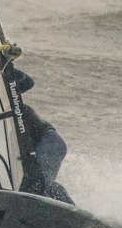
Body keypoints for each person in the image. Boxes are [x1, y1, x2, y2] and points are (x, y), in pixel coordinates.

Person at [5, 64, 74, 204]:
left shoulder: (6, 95)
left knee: (42, 182)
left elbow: (27, 81)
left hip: (49, 142)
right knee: (28, 189)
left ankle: (73, 210)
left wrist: (6, 65)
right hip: (32, 148)